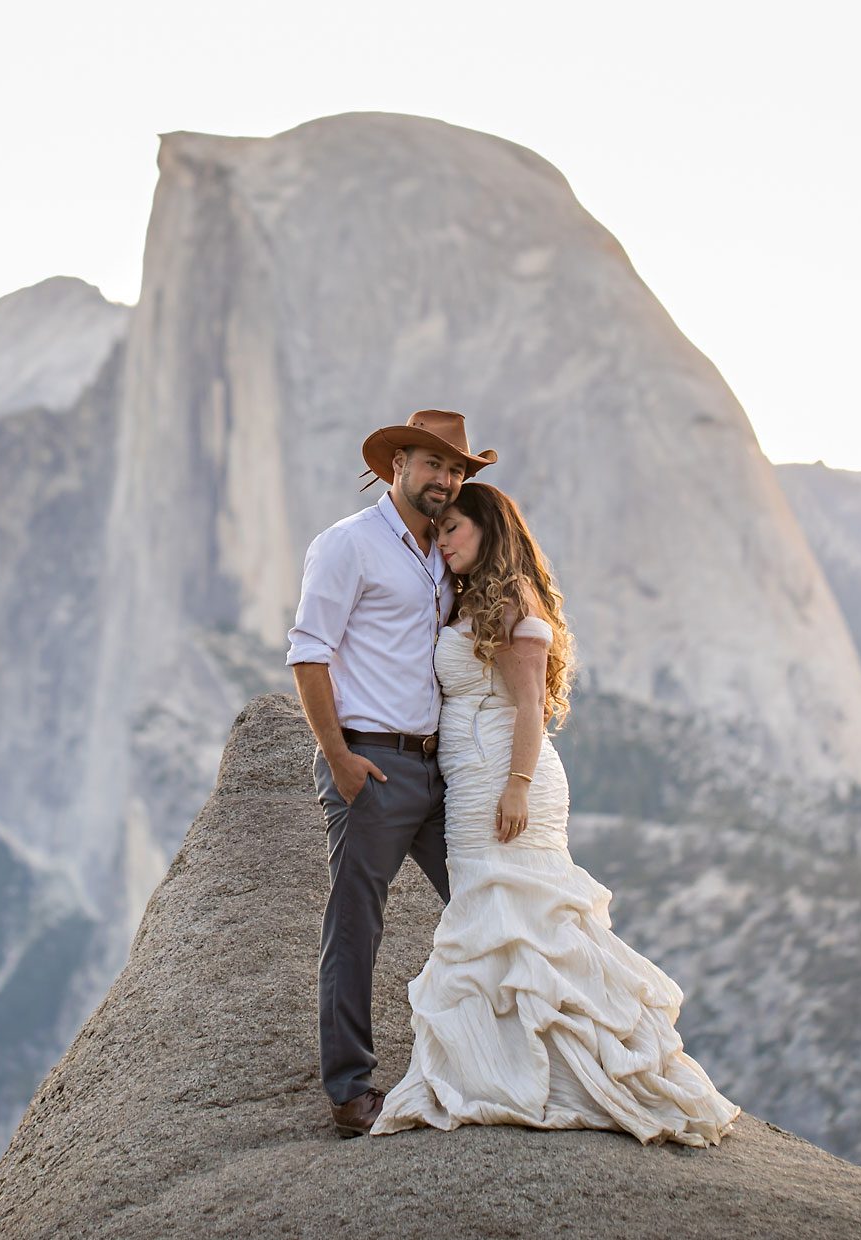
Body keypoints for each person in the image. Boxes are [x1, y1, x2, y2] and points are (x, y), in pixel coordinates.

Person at [369, 482, 741, 1146]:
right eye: (440, 530)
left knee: (521, 917)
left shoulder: (514, 603)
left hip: (504, 778)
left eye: (454, 528)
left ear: (489, 529)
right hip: (473, 777)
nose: (443, 539)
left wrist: (515, 786)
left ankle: (544, 1068)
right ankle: (504, 1064)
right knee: (494, 918)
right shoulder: (470, 601)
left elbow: (529, 708)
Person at [286, 409, 498, 1139]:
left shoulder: (442, 553)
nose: (448, 480)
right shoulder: (347, 545)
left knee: (484, 901)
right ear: (396, 465)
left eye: (459, 470)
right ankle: (350, 1092)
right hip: (370, 763)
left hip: (437, 770)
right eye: (434, 465)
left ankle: (495, 1060)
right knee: (356, 930)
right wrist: (341, 760)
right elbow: (308, 654)